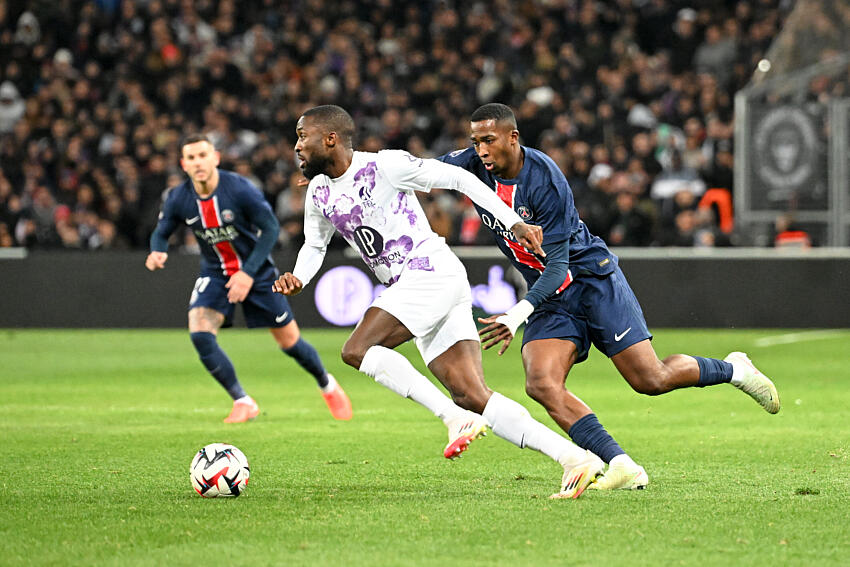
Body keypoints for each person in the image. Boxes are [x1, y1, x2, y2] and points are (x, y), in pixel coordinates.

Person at [439, 103, 780, 490]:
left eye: (488, 140)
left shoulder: (545, 181)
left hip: (589, 279)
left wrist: (514, 316)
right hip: (551, 300)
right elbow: (422, 171)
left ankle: (735, 370)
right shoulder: (471, 164)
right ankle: (621, 464)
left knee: (650, 379)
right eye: (475, 142)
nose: (480, 150)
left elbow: (558, 268)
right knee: (541, 383)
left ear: (512, 138)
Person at [275, 104, 604, 499]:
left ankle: (452, 418)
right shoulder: (319, 192)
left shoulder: (386, 166)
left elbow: (460, 178)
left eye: (301, 135)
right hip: (418, 284)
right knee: (472, 395)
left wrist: (512, 221)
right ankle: (575, 459)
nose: (296, 146)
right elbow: (315, 245)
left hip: (428, 271)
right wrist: (299, 275)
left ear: (329, 138)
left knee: (357, 350)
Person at [145, 134, 351, 423]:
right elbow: (162, 229)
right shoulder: (179, 197)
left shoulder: (240, 189)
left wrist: (247, 273)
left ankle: (327, 385)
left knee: (289, 342)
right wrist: (157, 250)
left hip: (257, 271)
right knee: (200, 332)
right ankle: (243, 401)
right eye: (191, 158)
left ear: (215, 158)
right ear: (183, 164)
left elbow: (269, 230)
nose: (198, 162)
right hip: (215, 272)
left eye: (203, 155)